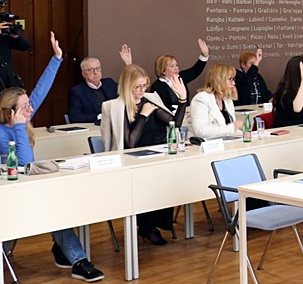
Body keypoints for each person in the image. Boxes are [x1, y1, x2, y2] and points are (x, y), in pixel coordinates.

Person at [0, 32, 103, 281]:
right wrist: (20, 127)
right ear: (9, 112)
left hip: (26, 188)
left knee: (59, 201)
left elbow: (41, 90)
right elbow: (24, 163)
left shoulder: (22, 118)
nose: (31, 109)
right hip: (4, 195)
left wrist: (57, 59)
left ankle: (72, 256)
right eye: (24, 107)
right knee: (53, 206)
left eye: (29, 105)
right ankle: (76, 259)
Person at [101, 64, 187, 245]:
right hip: (133, 161)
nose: (142, 91)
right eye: (137, 87)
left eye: (144, 86)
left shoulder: (150, 99)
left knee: (168, 180)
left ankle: (153, 225)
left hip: (156, 155)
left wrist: (182, 100)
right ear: (127, 86)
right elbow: (129, 143)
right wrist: (143, 116)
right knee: (148, 183)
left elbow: (175, 124)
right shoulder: (117, 107)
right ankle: (147, 228)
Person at [149, 38, 210, 110]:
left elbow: (196, 70)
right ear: (163, 70)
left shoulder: (181, 77)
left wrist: (204, 55)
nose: (176, 68)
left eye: (176, 65)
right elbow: (159, 108)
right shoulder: (157, 86)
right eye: (172, 66)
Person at [67, 55, 120, 123]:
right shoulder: (77, 91)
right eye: (90, 70)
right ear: (83, 74)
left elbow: (126, 91)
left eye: (97, 68)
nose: (95, 72)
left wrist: (128, 64)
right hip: (93, 126)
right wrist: (100, 116)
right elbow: (75, 117)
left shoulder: (109, 83)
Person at [191, 63, 238, 138]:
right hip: (208, 143)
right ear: (219, 80)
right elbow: (200, 131)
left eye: (233, 79)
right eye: (230, 79)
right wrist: (231, 128)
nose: (234, 83)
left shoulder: (227, 99)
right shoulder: (201, 98)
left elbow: (233, 128)